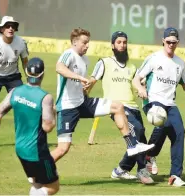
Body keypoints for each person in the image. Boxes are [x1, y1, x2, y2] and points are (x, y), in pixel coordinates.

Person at [50, 27, 155, 163]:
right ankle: (38, 170)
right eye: (84, 42)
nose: (87, 46)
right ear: (75, 42)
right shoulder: (68, 54)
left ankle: (131, 145)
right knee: (63, 148)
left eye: (88, 42)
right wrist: (80, 78)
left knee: (117, 107)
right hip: (67, 107)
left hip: (83, 102)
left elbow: (80, 85)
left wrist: (84, 88)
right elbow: (59, 68)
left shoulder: (85, 60)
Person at [87, 31, 154, 184]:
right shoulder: (104, 62)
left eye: (124, 42)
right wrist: (84, 97)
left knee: (140, 138)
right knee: (137, 131)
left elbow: (138, 84)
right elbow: (92, 80)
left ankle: (121, 169)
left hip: (134, 107)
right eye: (119, 42)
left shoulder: (132, 66)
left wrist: (141, 89)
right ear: (112, 45)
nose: (122, 45)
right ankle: (142, 170)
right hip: (117, 108)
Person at [0, 57, 60, 195]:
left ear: (26, 72)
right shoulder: (46, 98)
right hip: (37, 152)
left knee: (37, 184)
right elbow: (48, 127)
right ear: (43, 74)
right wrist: (54, 111)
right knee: (53, 187)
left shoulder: (15, 92)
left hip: (20, 150)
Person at [133, 27, 185, 187]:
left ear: (178, 43)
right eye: (168, 42)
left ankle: (174, 176)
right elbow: (137, 78)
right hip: (152, 101)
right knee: (163, 123)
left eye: (174, 42)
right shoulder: (154, 58)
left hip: (170, 103)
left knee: (179, 133)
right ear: (163, 41)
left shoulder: (180, 63)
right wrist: (141, 89)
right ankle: (149, 155)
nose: (171, 44)